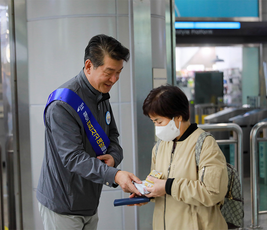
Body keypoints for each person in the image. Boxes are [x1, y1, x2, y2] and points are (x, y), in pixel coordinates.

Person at [36, 34, 142, 230]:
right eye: (109, 72)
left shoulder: (100, 94)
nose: (114, 79)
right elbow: (73, 157)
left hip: (89, 201)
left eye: (119, 72)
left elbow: (113, 137)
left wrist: (114, 157)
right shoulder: (62, 105)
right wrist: (116, 175)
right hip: (62, 204)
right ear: (88, 66)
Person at [130, 85, 228, 230]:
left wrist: (168, 186)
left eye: (159, 122)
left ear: (178, 118)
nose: (157, 127)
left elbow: (212, 192)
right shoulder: (159, 147)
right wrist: (146, 194)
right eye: (154, 122)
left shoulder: (205, 144)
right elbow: (157, 183)